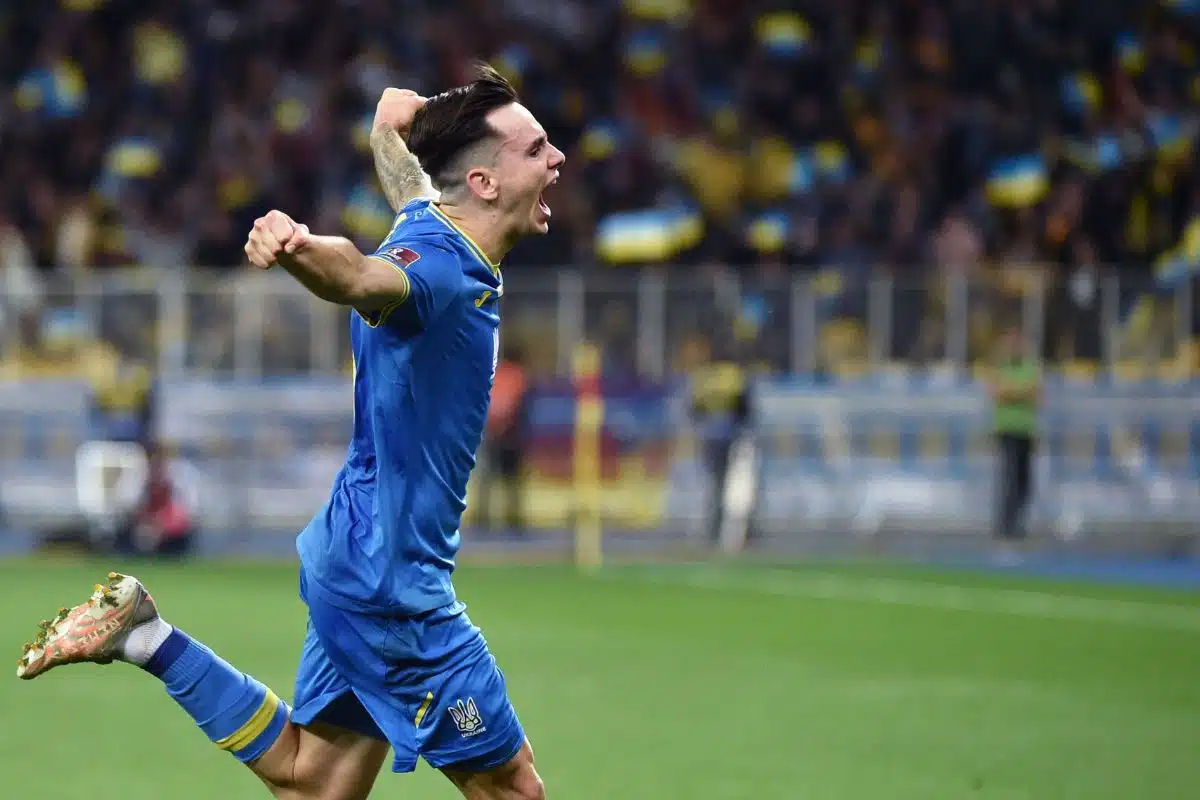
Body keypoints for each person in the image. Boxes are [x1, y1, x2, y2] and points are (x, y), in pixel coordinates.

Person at [17, 65, 564, 800]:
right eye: (535, 149)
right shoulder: (438, 271)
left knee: (315, 784)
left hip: (354, 552)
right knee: (513, 789)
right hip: (392, 587)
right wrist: (298, 246)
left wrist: (392, 126)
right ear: (485, 183)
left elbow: (403, 174)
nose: (557, 158)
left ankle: (145, 637)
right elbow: (360, 278)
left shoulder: (433, 228)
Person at [987, 322, 1042, 562]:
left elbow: (1036, 394)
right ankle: (1004, 527)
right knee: (1008, 479)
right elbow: (997, 391)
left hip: (1025, 430)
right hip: (1007, 430)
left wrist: (1013, 391)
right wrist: (1020, 391)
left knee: (1024, 481)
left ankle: (1018, 524)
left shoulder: (1030, 367)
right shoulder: (1001, 366)